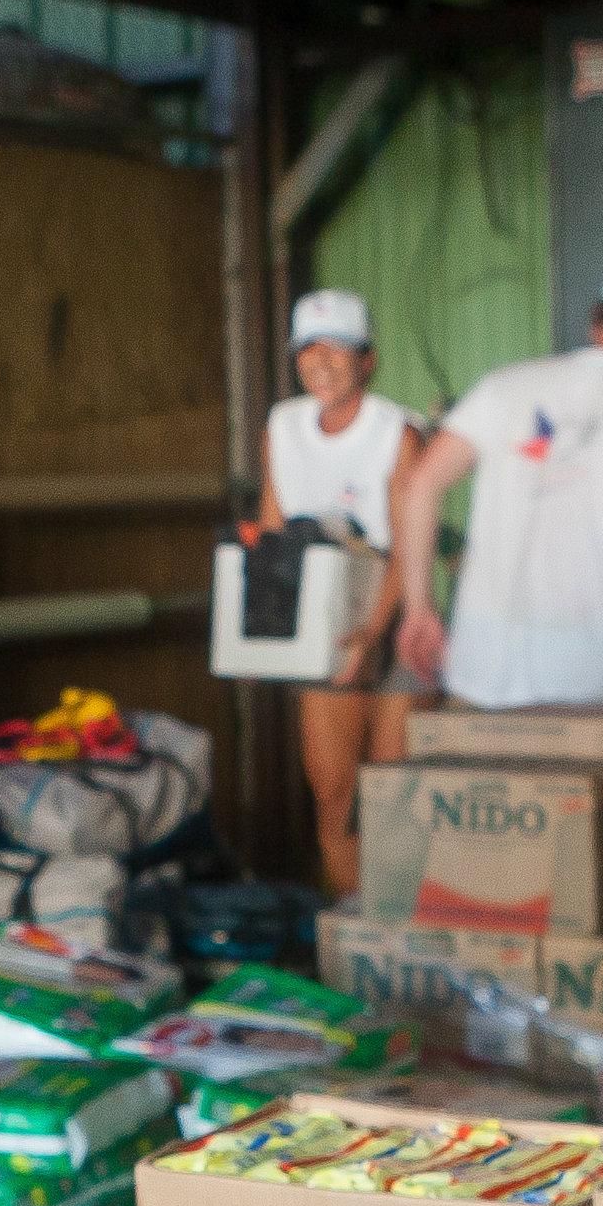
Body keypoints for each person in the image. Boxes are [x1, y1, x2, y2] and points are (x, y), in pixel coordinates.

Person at [392, 258, 603, 713]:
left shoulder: (502, 387)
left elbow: (420, 486)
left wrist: (419, 608)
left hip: (481, 675)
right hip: (601, 682)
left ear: (597, 324)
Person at [254, 287, 426, 898]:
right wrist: (266, 627)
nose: (321, 362)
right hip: (321, 607)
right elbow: (273, 521)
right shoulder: (283, 424)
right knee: (334, 792)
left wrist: (372, 634)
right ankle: (355, 940)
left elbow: (410, 547)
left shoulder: (397, 432)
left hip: (395, 609)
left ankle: (407, 933)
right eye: (309, 349)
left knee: (395, 788)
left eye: (339, 349)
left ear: (368, 361)